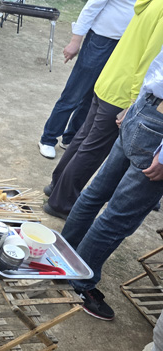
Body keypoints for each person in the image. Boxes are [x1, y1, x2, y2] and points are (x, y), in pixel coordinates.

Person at [60, 45, 163, 322]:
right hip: (157, 128)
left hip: (146, 108)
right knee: (118, 217)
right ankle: (80, 282)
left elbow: (156, 64)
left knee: (96, 193)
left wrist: (136, 107)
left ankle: (64, 255)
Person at [43, 0, 163, 219]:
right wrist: (134, 102)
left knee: (84, 139)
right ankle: (62, 201)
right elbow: (151, 62)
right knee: (92, 148)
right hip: (123, 91)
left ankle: (57, 186)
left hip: (110, 79)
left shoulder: (152, 3)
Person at [37, 0, 135, 159]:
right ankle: (48, 139)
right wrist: (75, 41)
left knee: (93, 96)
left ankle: (70, 138)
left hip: (124, 45)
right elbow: (90, 8)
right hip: (101, 40)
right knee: (74, 93)